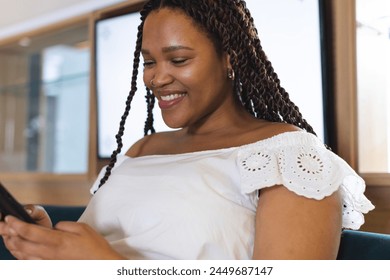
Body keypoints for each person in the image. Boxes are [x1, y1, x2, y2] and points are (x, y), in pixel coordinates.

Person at [0, 0, 374, 260]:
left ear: (231, 58)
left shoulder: (291, 157)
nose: (157, 77)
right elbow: (121, 239)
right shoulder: (140, 150)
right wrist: (48, 242)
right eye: (149, 62)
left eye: (178, 59)